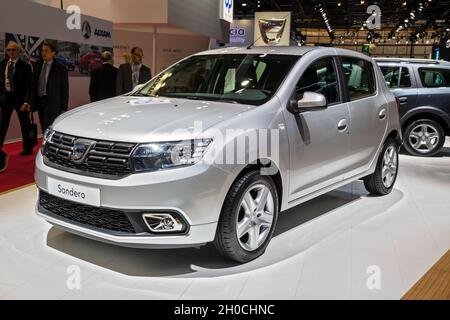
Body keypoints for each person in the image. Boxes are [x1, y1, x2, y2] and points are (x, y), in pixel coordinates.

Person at [0, 41, 33, 173]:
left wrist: (27, 101)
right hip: (6, 99)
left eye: (13, 50)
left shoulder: (25, 66)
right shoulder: (2, 64)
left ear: (18, 51)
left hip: (21, 100)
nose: (10, 53)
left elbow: (30, 86)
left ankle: (28, 148)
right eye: (8, 50)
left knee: (25, 124)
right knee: (2, 124)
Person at [29, 41, 69, 132]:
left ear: (53, 52)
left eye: (46, 51)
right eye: (42, 51)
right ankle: (46, 141)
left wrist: (63, 108)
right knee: (43, 125)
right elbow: (33, 85)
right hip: (40, 101)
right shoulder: (37, 65)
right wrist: (29, 101)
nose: (43, 53)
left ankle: (47, 143)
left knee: (48, 126)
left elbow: (65, 90)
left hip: (51, 101)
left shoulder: (60, 68)